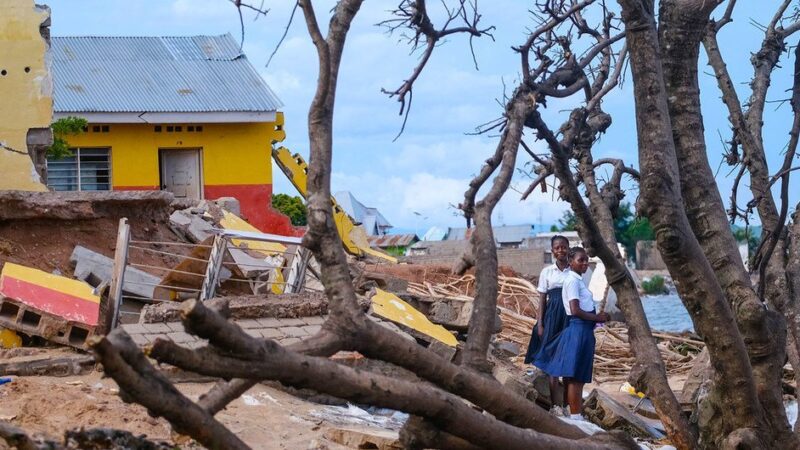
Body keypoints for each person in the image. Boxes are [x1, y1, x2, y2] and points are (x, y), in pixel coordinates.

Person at [534, 246, 609, 420]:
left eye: (586, 259)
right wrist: (596, 317)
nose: (584, 263)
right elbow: (575, 310)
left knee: (580, 376)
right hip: (579, 329)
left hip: (583, 330)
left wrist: (596, 318)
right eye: (580, 260)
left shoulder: (577, 280)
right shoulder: (572, 281)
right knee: (575, 377)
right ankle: (575, 417)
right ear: (570, 262)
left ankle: (576, 414)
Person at [524, 235, 571, 413]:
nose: (560, 250)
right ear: (552, 251)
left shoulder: (573, 270)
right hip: (552, 318)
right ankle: (554, 405)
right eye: (557, 248)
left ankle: (567, 405)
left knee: (567, 360)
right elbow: (542, 299)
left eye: (563, 247)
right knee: (552, 361)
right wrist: (540, 323)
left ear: (568, 248)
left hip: (568, 318)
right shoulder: (547, 272)